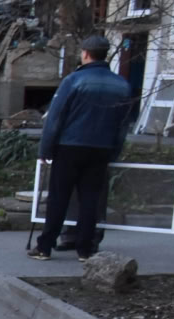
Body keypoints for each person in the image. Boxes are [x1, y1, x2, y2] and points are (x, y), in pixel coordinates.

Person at [28, 34, 132, 261]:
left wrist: (45, 149)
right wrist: (114, 151)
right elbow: (123, 124)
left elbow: (55, 117)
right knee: (90, 199)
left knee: (58, 198)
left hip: (70, 146)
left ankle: (45, 246)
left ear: (85, 53)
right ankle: (86, 249)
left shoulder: (74, 81)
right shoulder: (121, 85)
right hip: (102, 148)